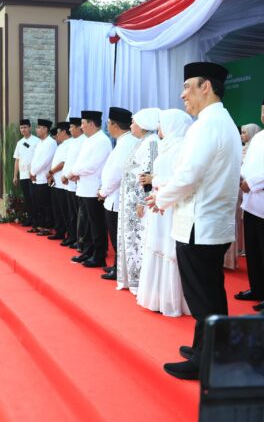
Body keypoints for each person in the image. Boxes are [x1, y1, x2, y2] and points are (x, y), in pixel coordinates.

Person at [148, 61, 242, 380]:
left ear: (206, 86)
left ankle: (209, 362)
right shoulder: (220, 121)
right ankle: (206, 348)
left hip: (198, 225)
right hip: (209, 223)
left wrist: (161, 198)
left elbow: (189, 175)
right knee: (210, 293)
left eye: (188, 86)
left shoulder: (206, 124)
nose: (182, 93)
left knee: (204, 298)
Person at [136, 109, 193, 317]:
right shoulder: (167, 145)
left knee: (169, 248)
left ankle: (171, 299)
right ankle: (158, 295)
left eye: (162, 123)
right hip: (159, 201)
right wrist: (154, 180)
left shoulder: (180, 147)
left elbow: (178, 179)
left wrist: (154, 180)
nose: (159, 128)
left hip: (170, 204)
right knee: (157, 245)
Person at [117, 108, 160, 293]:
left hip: (139, 204)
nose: (131, 125)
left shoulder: (151, 142)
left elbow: (148, 174)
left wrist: (143, 201)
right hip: (130, 201)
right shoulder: (142, 141)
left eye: (134, 122)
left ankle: (140, 281)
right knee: (130, 239)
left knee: (139, 240)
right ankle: (131, 278)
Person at [97, 107, 138, 280]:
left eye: (108, 123)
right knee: (117, 237)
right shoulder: (125, 141)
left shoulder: (126, 143)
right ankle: (117, 266)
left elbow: (116, 173)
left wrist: (103, 191)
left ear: (114, 125)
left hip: (116, 198)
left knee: (117, 237)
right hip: (114, 196)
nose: (107, 126)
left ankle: (119, 269)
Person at [70, 110, 112, 268]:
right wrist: (75, 172)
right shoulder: (89, 140)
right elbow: (80, 162)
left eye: (83, 123)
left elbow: (92, 165)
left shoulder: (102, 140)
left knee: (96, 224)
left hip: (94, 188)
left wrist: (74, 172)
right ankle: (88, 251)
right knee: (87, 223)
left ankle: (99, 255)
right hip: (84, 187)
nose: (81, 127)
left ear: (92, 124)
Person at [237, 112, 264, 311]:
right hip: (251, 202)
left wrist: (252, 182)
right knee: (254, 250)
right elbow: (248, 164)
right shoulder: (259, 137)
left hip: (260, 195)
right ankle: (257, 289)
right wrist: (241, 178)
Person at [28, 119, 57, 235]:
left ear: (45, 129)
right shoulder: (40, 143)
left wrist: (33, 172)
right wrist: (31, 172)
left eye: (39, 128)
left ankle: (47, 227)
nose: (37, 130)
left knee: (46, 204)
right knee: (37, 203)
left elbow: (45, 161)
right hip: (35, 178)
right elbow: (35, 159)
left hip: (44, 178)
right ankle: (39, 225)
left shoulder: (51, 142)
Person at [61, 117, 86, 248]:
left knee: (79, 215)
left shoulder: (84, 141)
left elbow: (79, 163)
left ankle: (79, 240)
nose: (69, 129)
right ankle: (72, 236)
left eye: (71, 127)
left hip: (77, 182)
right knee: (71, 214)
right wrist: (65, 175)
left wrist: (69, 175)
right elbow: (68, 161)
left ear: (78, 128)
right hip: (68, 183)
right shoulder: (72, 142)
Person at [47, 122, 72, 241]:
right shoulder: (61, 145)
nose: (56, 135)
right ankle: (59, 231)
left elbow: (63, 163)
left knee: (64, 211)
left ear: (63, 132)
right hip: (56, 182)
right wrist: (51, 175)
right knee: (57, 210)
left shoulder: (69, 145)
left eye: (58, 132)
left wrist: (51, 172)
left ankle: (69, 234)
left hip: (63, 184)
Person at [13, 119, 40, 227]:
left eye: (25, 127)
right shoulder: (19, 143)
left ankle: (37, 220)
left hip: (34, 175)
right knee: (27, 197)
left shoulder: (37, 141)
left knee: (34, 197)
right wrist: (15, 175)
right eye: (21, 128)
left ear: (29, 127)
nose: (23, 129)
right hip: (23, 175)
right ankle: (30, 218)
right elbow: (17, 160)